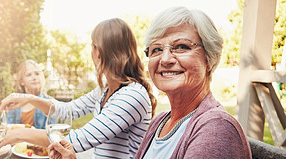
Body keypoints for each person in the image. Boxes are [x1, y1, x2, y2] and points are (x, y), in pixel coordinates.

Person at [49, 7, 252, 159]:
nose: (165, 59)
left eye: (181, 46)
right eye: (156, 49)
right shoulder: (160, 122)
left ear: (209, 58)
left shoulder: (216, 129)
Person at [0, 18, 157, 158]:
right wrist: (29, 99)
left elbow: (75, 139)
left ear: (99, 52)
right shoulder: (105, 90)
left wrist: (17, 134)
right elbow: (67, 110)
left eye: (93, 45)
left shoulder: (132, 95)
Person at [6, 60, 51, 129]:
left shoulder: (49, 103)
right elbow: (8, 129)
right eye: (29, 75)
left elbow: (52, 132)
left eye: (37, 74)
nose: (34, 78)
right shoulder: (13, 105)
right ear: (21, 82)